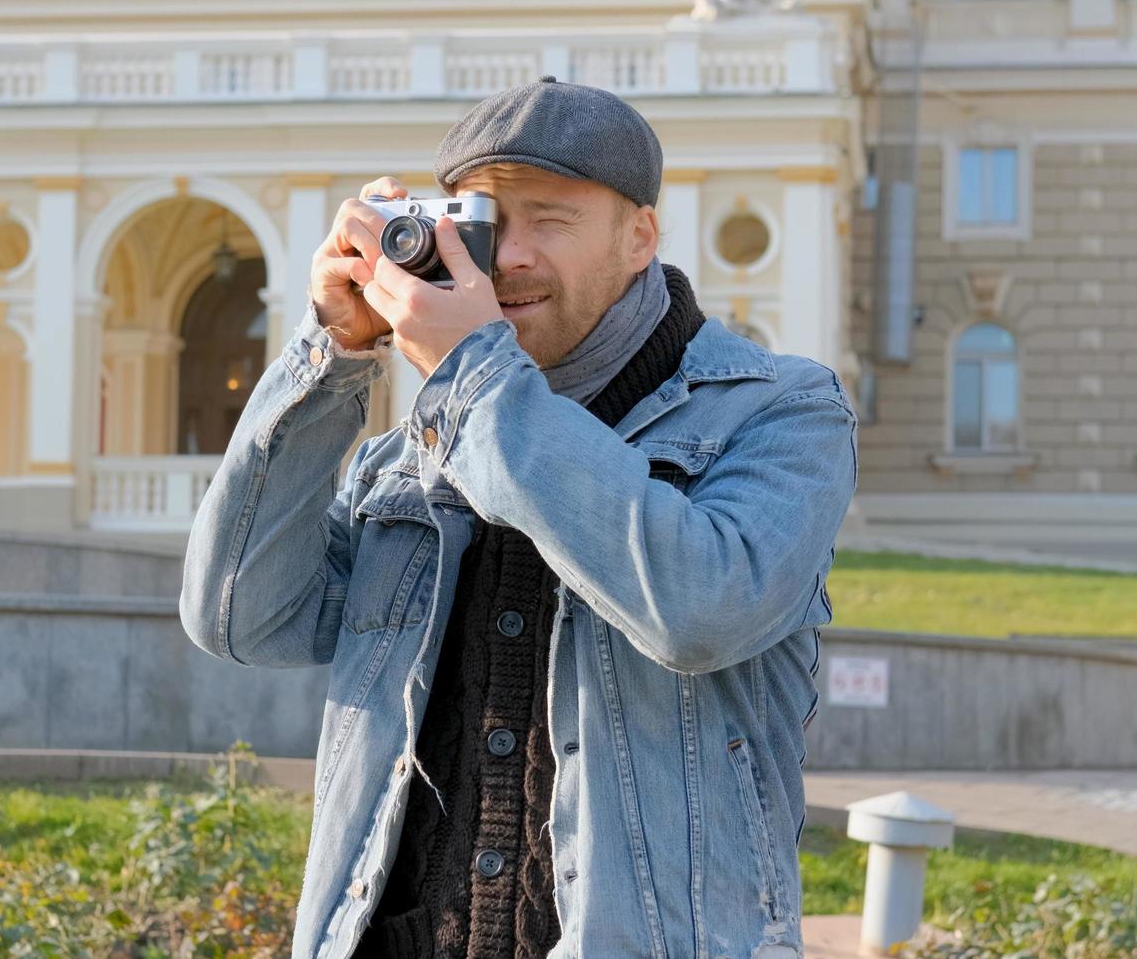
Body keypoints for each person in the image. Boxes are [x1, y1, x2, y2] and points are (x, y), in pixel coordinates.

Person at [180, 75, 857, 959]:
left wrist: (472, 374)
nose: (509, 258)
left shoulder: (780, 412)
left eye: (551, 219)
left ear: (639, 235)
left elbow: (698, 611)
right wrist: (332, 352)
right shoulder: (415, 451)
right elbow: (239, 619)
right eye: (487, 221)